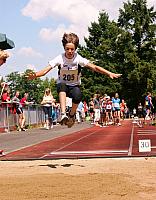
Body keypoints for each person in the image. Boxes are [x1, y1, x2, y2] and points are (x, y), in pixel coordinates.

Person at [28, 32, 122, 128]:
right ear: (64, 48)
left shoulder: (78, 58)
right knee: (62, 85)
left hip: (74, 86)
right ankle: (63, 113)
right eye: (67, 49)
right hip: (63, 86)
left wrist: (109, 73)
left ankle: (72, 115)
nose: (69, 51)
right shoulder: (60, 58)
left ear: (75, 49)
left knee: (78, 95)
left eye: (72, 49)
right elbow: (45, 70)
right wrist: (34, 75)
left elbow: (94, 67)